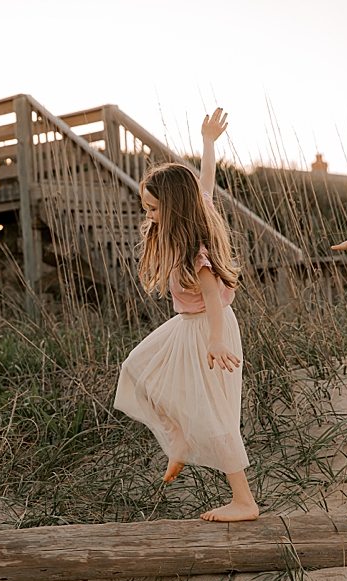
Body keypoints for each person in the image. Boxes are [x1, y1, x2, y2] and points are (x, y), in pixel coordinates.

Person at [114, 109, 257, 521]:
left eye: (154, 209)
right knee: (136, 369)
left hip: (210, 330)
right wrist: (208, 142)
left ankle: (244, 501)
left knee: (216, 410)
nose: (149, 216)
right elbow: (205, 179)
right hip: (188, 326)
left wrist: (215, 338)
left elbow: (212, 294)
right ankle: (179, 440)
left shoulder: (195, 246)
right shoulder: (195, 211)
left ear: (174, 207)